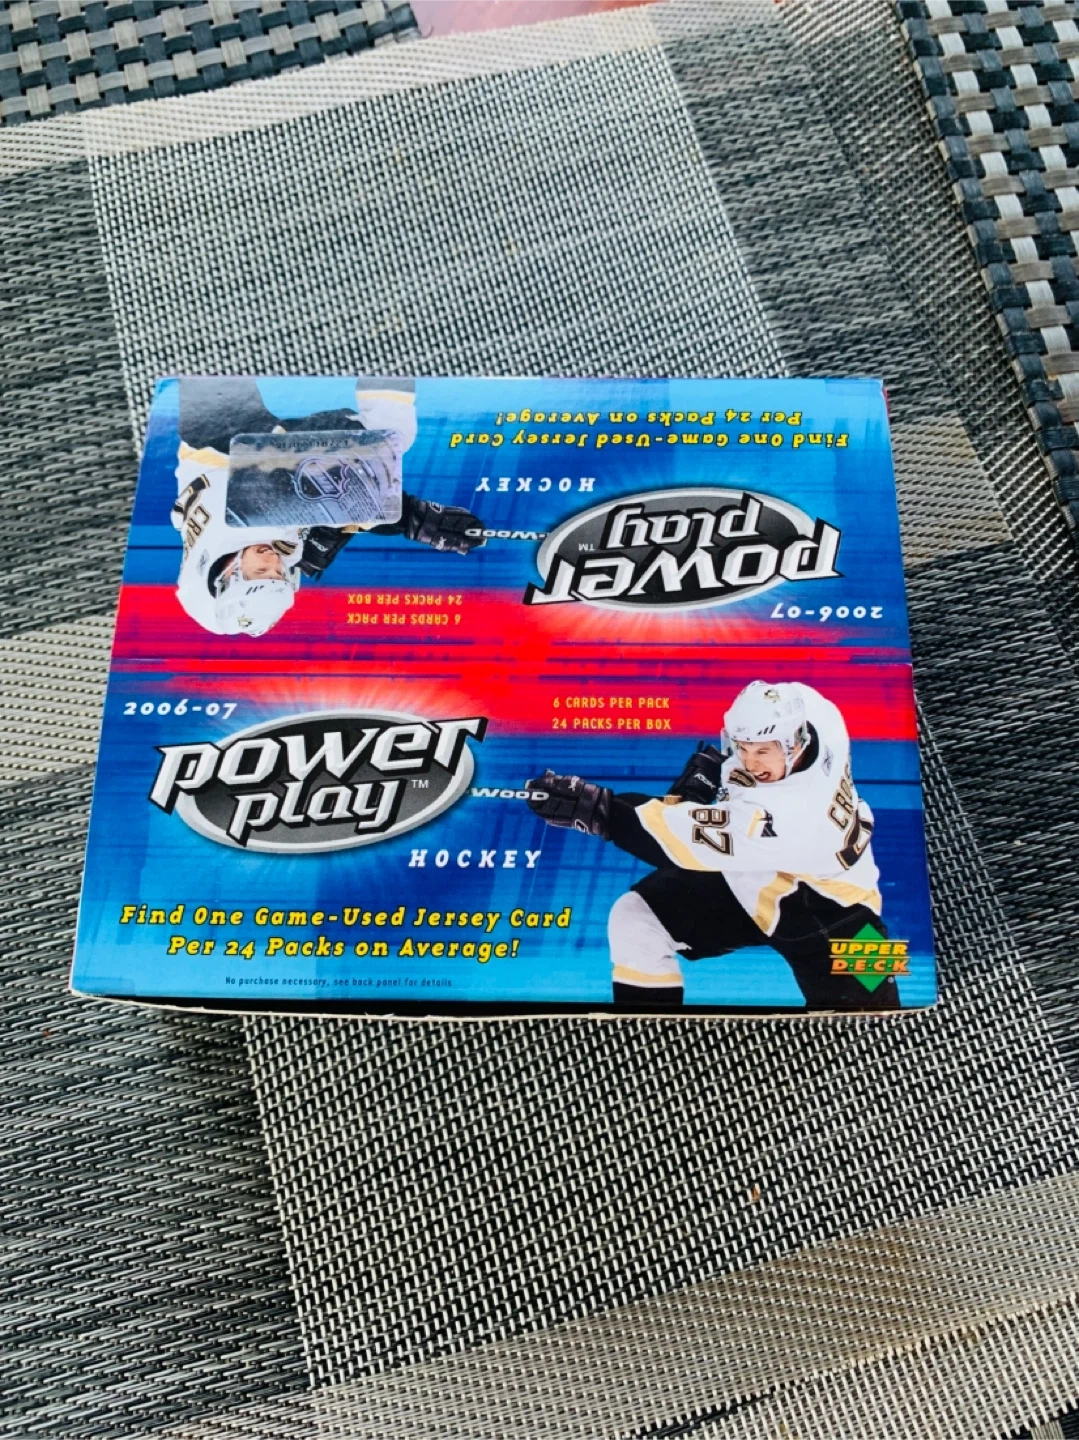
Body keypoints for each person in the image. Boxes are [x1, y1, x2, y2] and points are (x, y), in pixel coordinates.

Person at [525, 680, 899, 1012]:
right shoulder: (818, 711)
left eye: (762, 752)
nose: (750, 763)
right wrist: (718, 767)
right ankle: (647, 1040)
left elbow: (667, 838)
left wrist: (595, 808)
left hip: (838, 913)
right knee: (636, 919)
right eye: (742, 747)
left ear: (794, 745)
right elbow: (775, 711)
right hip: (750, 878)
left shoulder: (785, 817)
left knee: (877, 1029)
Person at [170, 377, 485, 636]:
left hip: (218, 439)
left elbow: (347, 498)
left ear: (228, 573)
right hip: (257, 461)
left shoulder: (247, 523)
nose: (273, 562)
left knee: (385, 447)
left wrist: (417, 521)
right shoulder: (219, 585)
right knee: (389, 433)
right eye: (278, 573)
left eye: (261, 570)